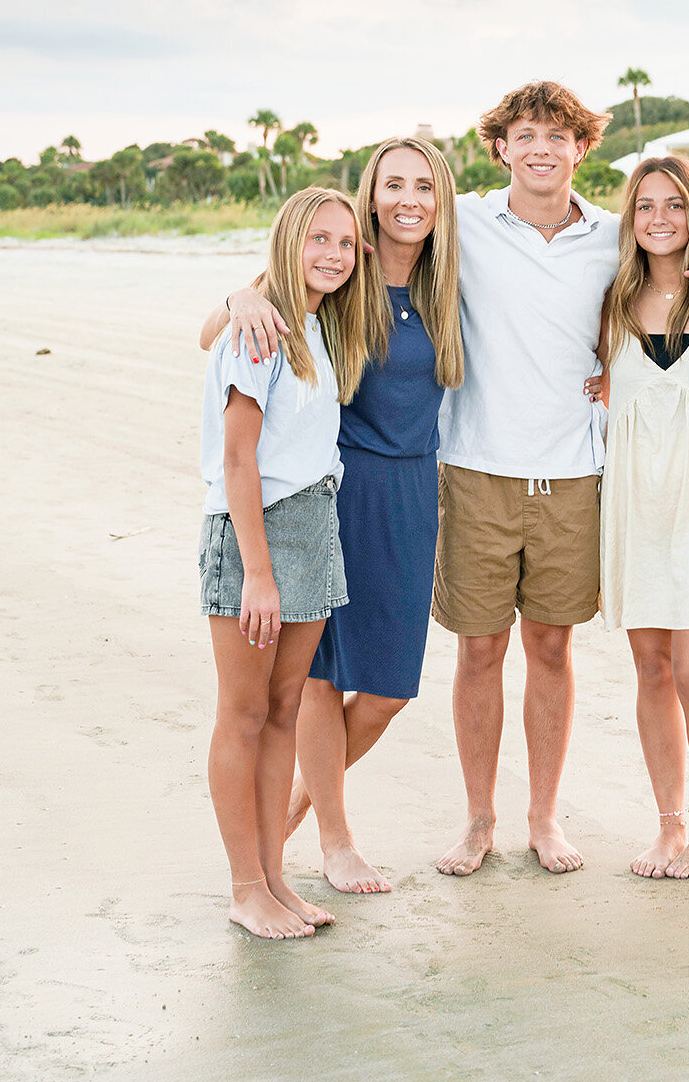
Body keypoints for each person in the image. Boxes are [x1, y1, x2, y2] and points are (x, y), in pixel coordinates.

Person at [432, 81, 689, 877]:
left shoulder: (613, 235)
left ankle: (544, 819)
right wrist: (252, 291)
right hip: (476, 467)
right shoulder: (461, 223)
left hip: (573, 474)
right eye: (525, 135)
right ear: (500, 147)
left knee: (553, 652)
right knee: (479, 653)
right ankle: (478, 820)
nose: (540, 149)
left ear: (581, 149)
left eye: (557, 137)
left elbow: (666, 289)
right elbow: (357, 251)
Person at [201, 139, 463, 896]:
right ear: (370, 196)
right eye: (393, 185)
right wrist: (237, 298)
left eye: (424, 186)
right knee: (315, 680)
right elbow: (221, 338)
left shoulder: (448, 282)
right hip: (334, 489)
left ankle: (277, 820)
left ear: (441, 199)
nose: (409, 199)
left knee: (385, 689)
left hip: (414, 493)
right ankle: (330, 840)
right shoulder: (340, 272)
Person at [198, 187, 367, 939]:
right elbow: (238, 459)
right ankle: (244, 888)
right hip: (254, 534)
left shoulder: (315, 325)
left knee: (283, 714)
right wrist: (257, 573)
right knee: (242, 713)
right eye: (317, 239)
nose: (332, 254)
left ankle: (275, 880)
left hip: (311, 524)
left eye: (343, 242)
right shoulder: (257, 332)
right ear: (288, 242)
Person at [592, 156, 689, 881]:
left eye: (675, 206)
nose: (659, 218)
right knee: (651, 670)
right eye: (645, 206)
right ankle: (670, 824)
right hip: (636, 508)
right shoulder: (613, 304)